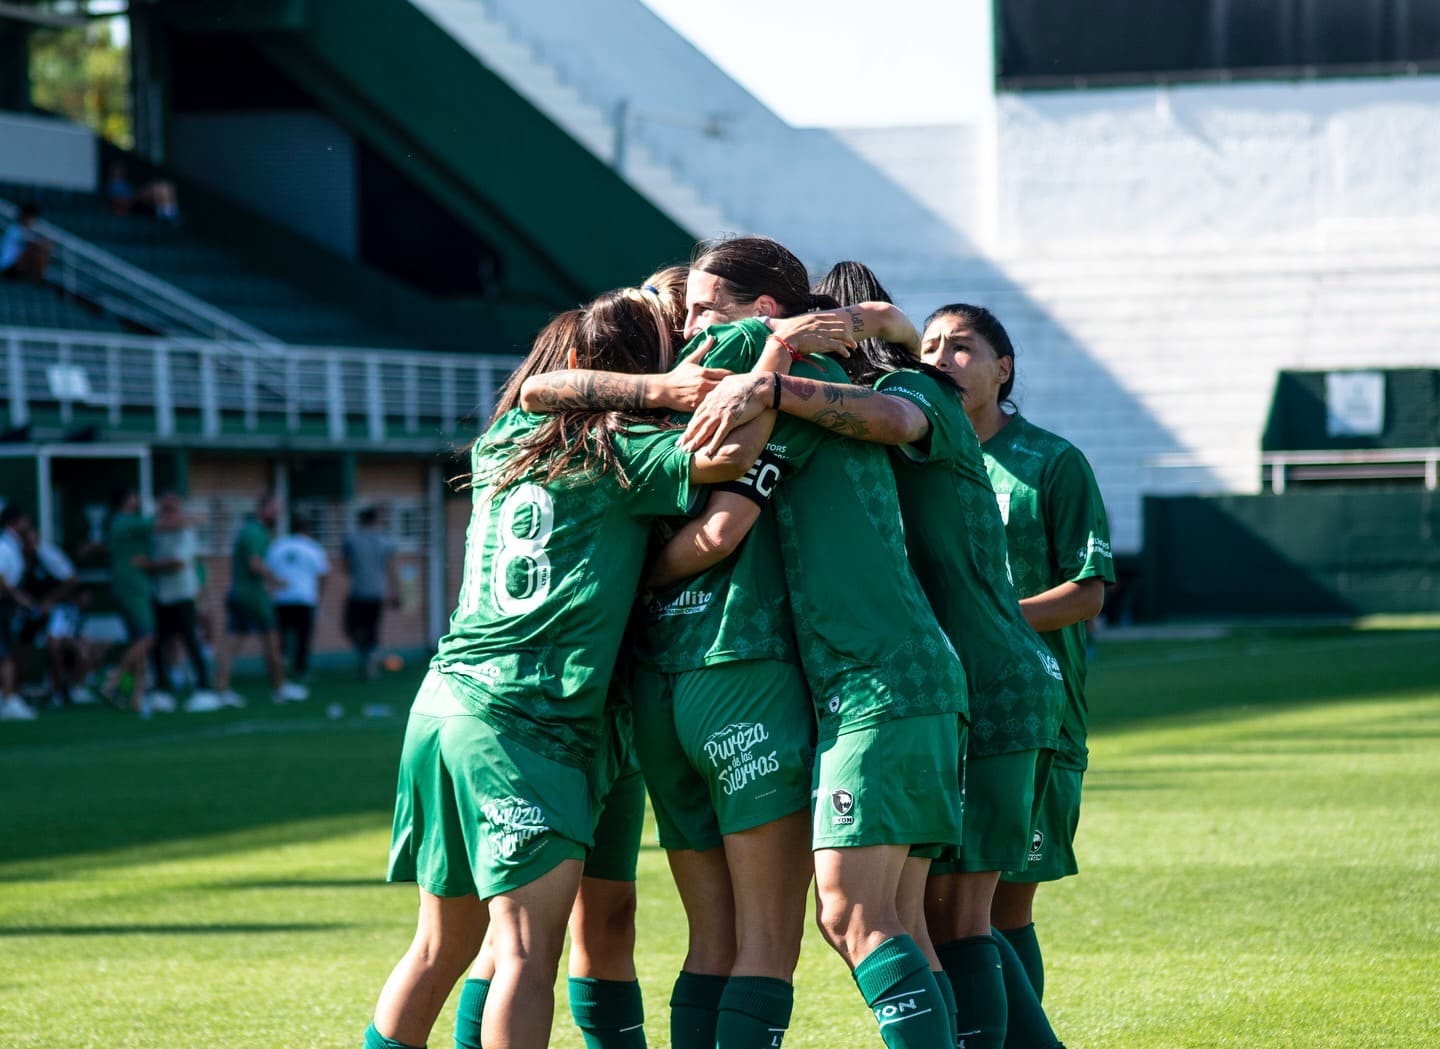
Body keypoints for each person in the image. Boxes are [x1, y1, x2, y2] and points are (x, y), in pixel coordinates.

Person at [363, 293, 774, 1049]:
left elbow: (537, 390)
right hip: (525, 725)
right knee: (524, 954)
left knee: (439, 948)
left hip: (442, 707)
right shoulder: (626, 457)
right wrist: (769, 370)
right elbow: (732, 459)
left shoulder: (508, 438)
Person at [683, 261, 1070, 1049]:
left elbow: (890, 406)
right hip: (945, 672)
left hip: (971, 675)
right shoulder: (855, 416)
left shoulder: (911, 396)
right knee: (926, 917)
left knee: (936, 915)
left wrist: (777, 378)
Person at [517, 272, 856, 1049]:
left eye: (699, 310)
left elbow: (541, 389)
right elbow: (717, 533)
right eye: (684, 318)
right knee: (764, 937)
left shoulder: (569, 432)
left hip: (630, 687)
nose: (695, 330)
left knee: (530, 934)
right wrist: (773, 364)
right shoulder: (752, 383)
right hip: (730, 669)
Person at [663, 236, 967, 1049]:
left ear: (763, 311)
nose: (687, 325)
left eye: (701, 307)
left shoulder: (819, 385)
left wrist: (771, 365)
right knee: (908, 920)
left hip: (885, 680)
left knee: (853, 912)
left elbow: (900, 412)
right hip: (893, 678)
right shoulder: (801, 386)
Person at [943, 304, 1114, 1009]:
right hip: (943, 706)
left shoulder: (1052, 461)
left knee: (1003, 907)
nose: (941, 358)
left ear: (1002, 367)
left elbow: (1089, 589)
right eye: (928, 346)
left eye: (960, 346)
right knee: (946, 906)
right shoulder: (923, 462)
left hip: (1037, 711)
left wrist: (993, 623)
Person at [212, 492, 306, 706]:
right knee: (272, 641)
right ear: (263, 509)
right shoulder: (257, 532)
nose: (278, 513)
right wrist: (275, 581)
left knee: (232, 642)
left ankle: (222, 687)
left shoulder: (248, 530)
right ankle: (280, 687)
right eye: (275, 508)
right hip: (253, 597)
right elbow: (255, 564)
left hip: (238, 593)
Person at [149, 493, 223, 713]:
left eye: (172, 509)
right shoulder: (155, 532)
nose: (167, 513)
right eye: (164, 508)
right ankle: (162, 689)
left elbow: (178, 563)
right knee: (158, 643)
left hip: (182, 594)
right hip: (160, 594)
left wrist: (148, 565)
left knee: (190, 640)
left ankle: (204, 688)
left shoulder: (185, 533)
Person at [102, 488, 166, 714]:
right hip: (133, 588)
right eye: (133, 496)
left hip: (130, 586)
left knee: (138, 642)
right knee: (148, 636)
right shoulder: (125, 522)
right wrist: (193, 517)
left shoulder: (119, 524)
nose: (137, 499)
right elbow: (162, 524)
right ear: (126, 501)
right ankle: (115, 679)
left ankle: (137, 698)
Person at [13, 518, 82, 709]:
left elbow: (71, 579)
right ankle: (13, 693)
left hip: (56, 608)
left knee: (54, 644)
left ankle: (60, 690)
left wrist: (50, 601)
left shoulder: (48, 555)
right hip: (30, 609)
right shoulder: (16, 557)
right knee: (19, 648)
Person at [266, 514, 330, 686]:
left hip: (281, 599)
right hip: (304, 598)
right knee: (303, 637)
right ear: (307, 530)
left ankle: (282, 668)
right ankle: (300, 670)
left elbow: (268, 571)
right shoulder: (313, 548)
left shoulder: (277, 546)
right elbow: (323, 574)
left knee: (281, 637)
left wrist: (272, 590)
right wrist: (318, 596)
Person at [343, 507, 399, 679]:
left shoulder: (351, 540)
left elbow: (346, 567)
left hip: (358, 591)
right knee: (373, 628)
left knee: (351, 626)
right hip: (377, 592)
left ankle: (366, 656)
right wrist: (396, 591)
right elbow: (391, 567)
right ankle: (370, 657)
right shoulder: (385, 541)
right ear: (376, 520)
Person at [0, 505, 38, 720]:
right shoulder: (5, 546)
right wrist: (18, 597)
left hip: (6, 605)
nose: (28, 525)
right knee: (5, 653)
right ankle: (9, 698)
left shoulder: (13, 545)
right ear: (14, 522)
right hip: (2, 604)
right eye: (24, 521)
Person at [104, 162, 179, 221]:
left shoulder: (125, 183)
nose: (119, 171)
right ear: (113, 171)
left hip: (137, 199)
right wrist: (135, 197)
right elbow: (118, 200)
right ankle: (167, 214)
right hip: (132, 203)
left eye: (120, 169)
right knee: (156, 188)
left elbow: (133, 192)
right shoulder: (111, 185)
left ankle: (169, 212)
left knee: (165, 185)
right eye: (117, 169)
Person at [0, 203, 53, 284]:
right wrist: (45, 244)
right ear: (24, 217)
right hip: (8, 267)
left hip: (16, 267)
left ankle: (37, 279)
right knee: (38, 250)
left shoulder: (28, 232)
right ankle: (38, 279)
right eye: (31, 218)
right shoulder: (14, 230)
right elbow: (33, 243)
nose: (32, 221)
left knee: (41, 250)